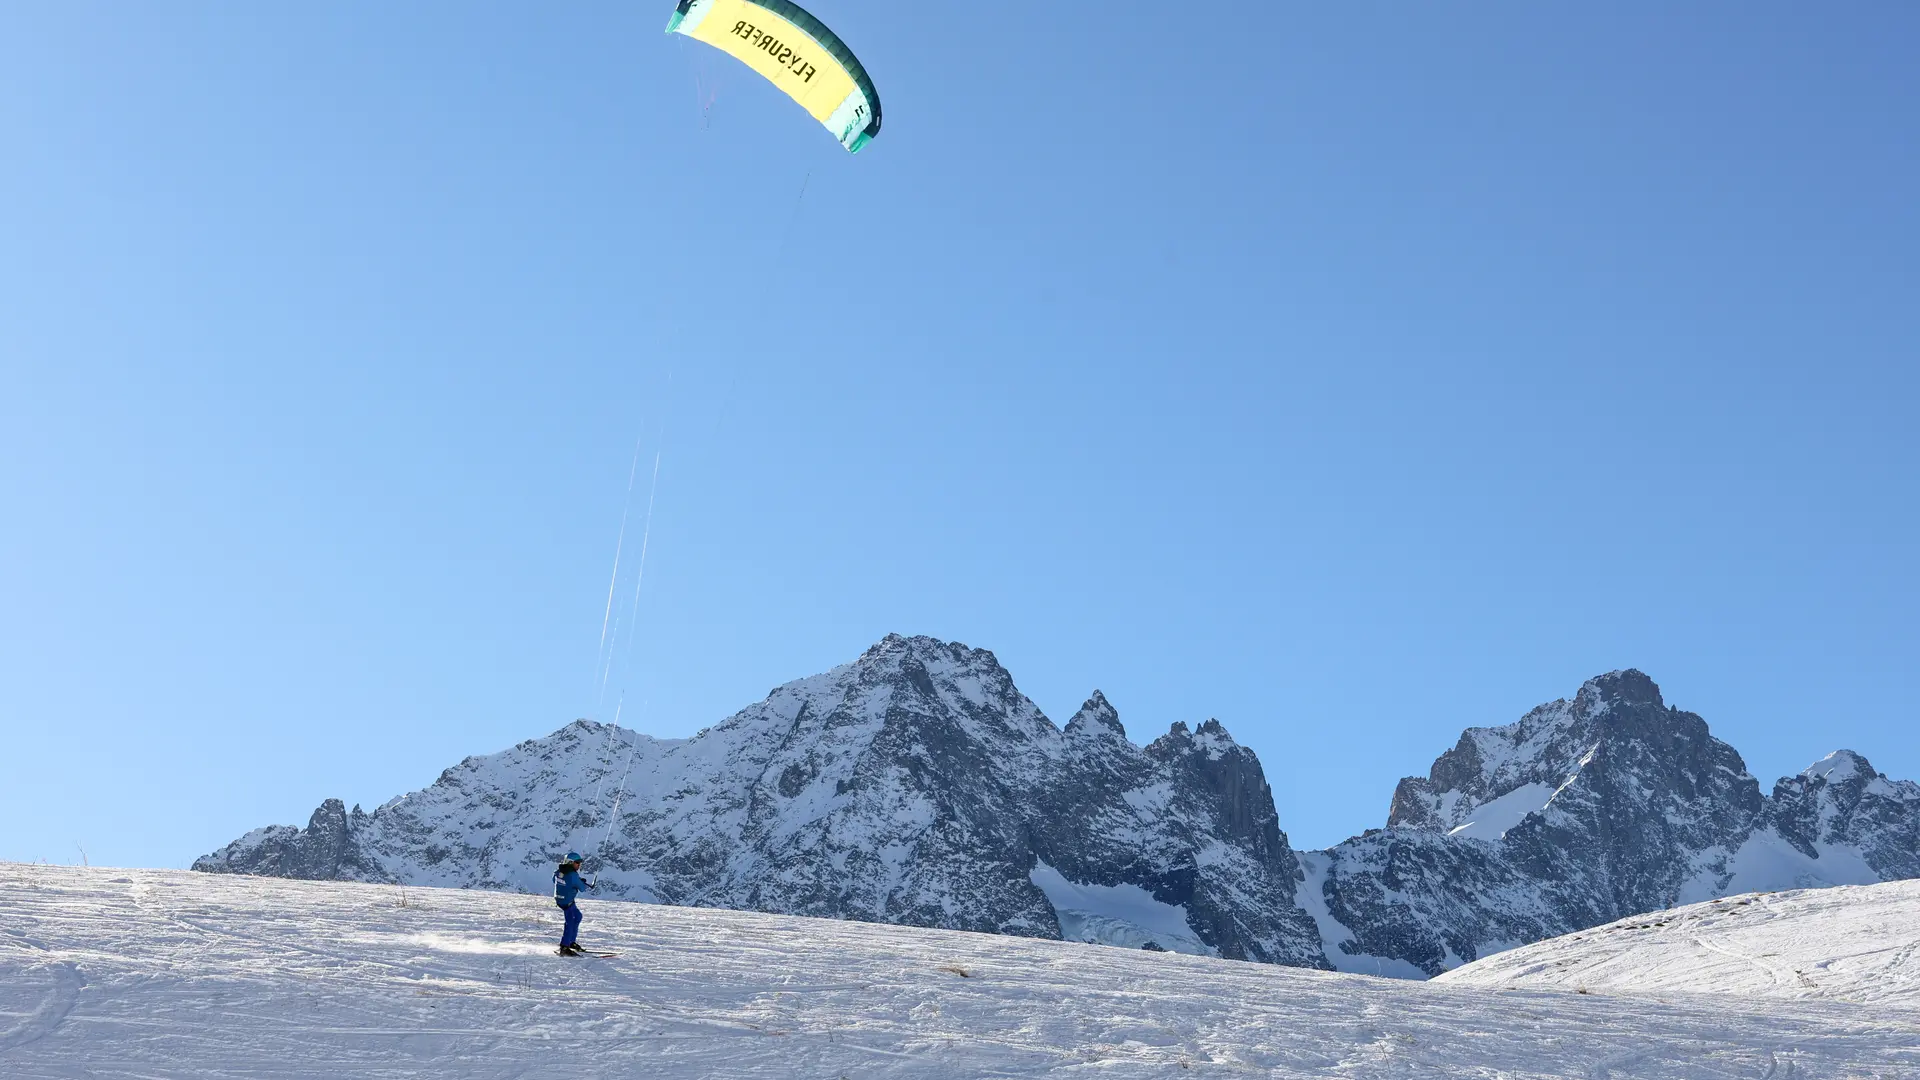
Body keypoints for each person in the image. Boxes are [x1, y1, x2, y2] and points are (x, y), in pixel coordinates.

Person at [553, 851, 595, 956]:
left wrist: (576, 881)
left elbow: (554, 880)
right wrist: (582, 883)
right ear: (570, 862)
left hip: (561, 900)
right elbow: (582, 888)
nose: (579, 865)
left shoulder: (558, 871)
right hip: (568, 902)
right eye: (577, 862)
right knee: (570, 921)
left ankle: (571, 942)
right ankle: (564, 947)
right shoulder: (573, 875)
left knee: (577, 916)